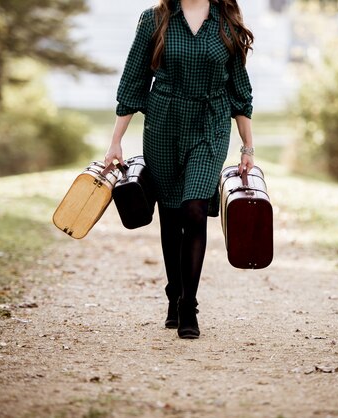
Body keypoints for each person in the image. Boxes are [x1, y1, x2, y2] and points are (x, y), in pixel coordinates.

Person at [104, 0, 255, 339]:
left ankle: (189, 304)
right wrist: (115, 142)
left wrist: (247, 146)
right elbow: (133, 81)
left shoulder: (226, 20)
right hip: (163, 125)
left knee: (195, 208)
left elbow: (239, 90)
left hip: (210, 124)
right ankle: (174, 296)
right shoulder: (154, 19)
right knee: (171, 215)